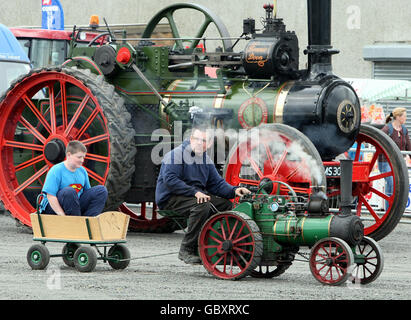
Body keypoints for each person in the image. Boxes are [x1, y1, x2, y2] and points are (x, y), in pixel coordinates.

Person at [155, 125, 251, 265]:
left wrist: (234, 190)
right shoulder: (176, 154)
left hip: (194, 197)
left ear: (210, 143)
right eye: (197, 139)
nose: (200, 143)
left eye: (204, 140)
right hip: (171, 197)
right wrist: (195, 192)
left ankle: (218, 246)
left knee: (226, 204)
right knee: (202, 206)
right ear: (191, 139)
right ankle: (187, 249)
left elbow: (217, 184)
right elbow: (171, 181)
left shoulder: (206, 160)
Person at [40, 140, 108, 217]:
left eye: (83, 157)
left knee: (101, 190)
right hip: (54, 208)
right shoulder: (56, 170)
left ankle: (89, 221)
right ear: (69, 155)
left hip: (74, 206)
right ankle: (75, 223)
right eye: (79, 157)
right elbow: (50, 196)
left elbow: (87, 193)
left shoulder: (82, 171)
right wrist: (62, 215)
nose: (82, 160)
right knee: (69, 191)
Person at [378, 107, 411, 209]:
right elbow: (378, 141)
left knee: (397, 185)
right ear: (398, 117)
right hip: (386, 161)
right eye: (404, 116)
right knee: (392, 183)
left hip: (398, 162)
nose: (406, 118)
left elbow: (409, 146)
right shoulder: (387, 129)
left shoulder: (404, 130)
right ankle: (389, 212)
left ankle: (393, 211)